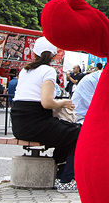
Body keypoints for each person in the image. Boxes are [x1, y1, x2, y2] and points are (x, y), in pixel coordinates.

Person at [11, 37, 81, 192]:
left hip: (19, 124)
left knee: (68, 132)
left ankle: (59, 172)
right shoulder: (48, 71)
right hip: (36, 123)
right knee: (79, 133)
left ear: (35, 53)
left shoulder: (25, 70)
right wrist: (63, 103)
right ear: (54, 55)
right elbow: (47, 103)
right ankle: (66, 179)